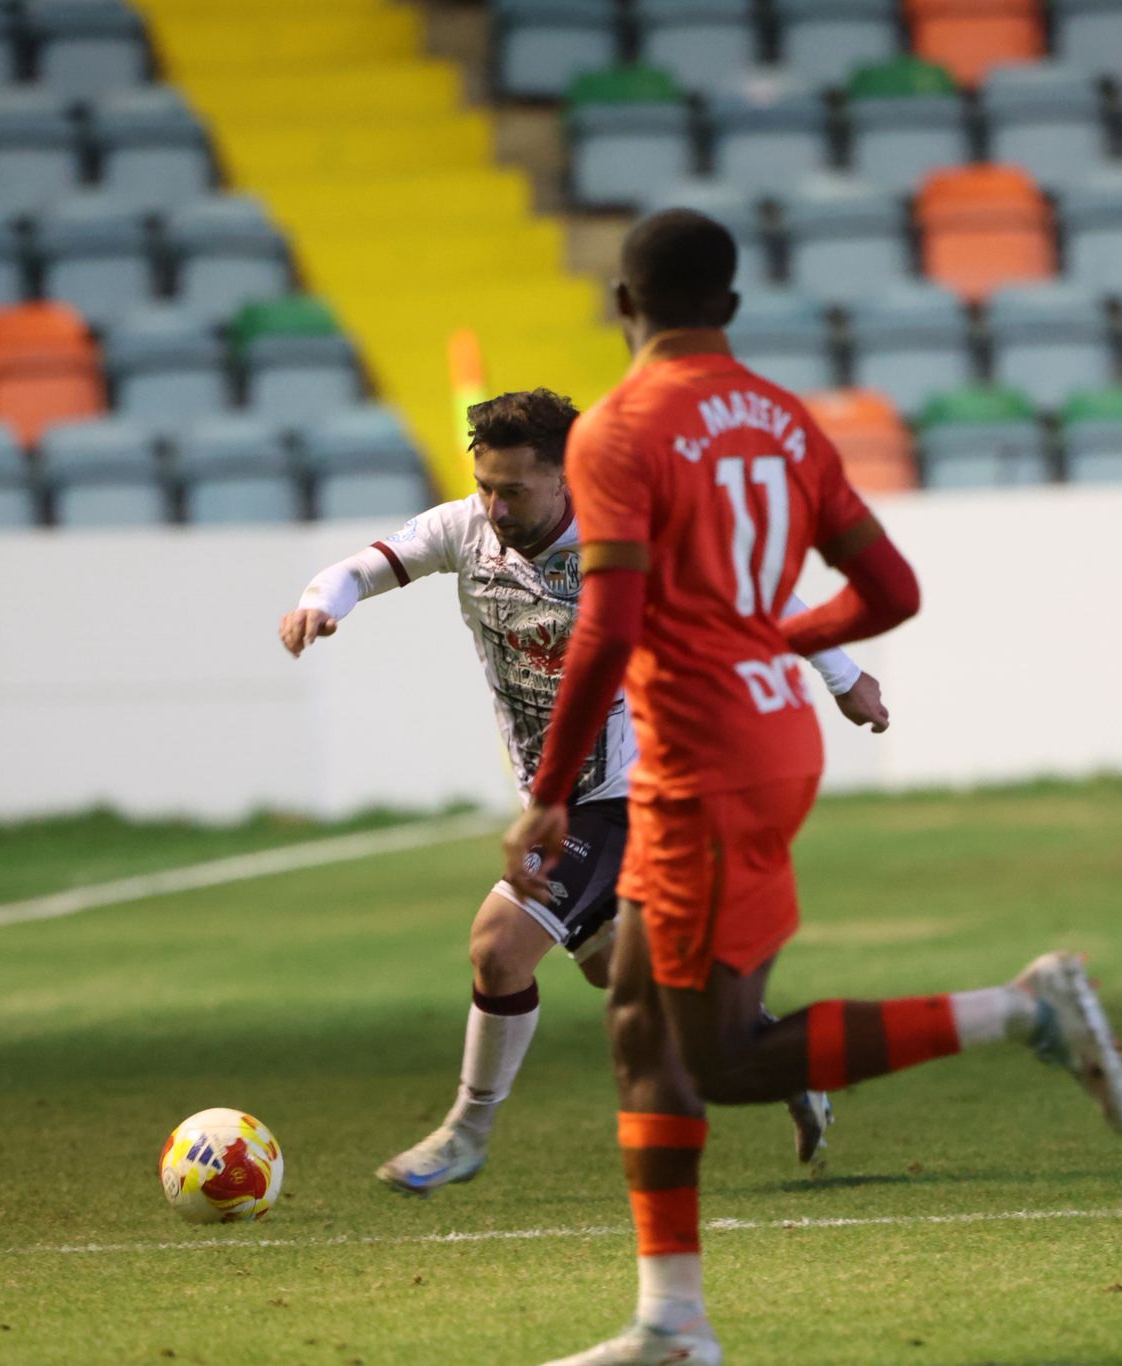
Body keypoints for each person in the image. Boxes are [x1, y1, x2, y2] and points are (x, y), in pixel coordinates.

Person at [503, 211, 1122, 1366]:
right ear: (731, 309)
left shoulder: (614, 431)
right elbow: (888, 589)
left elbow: (606, 622)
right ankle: (670, 1324)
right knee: (640, 1024)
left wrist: (549, 790)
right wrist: (780, 633)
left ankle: (1021, 1008)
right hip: (766, 739)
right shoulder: (787, 422)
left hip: (702, 762)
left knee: (719, 1055)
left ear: (621, 305)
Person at [279, 387, 892, 1195]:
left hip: (635, 787)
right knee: (629, 978)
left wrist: (844, 677)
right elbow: (363, 567)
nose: (494, 504)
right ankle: (784, 1061)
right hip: (553, 788)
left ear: (567, 478)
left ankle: (465, 1132)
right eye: (486, 484)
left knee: (498, 948)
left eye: (514, 489)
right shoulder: (462, 527)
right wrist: (321, 603)